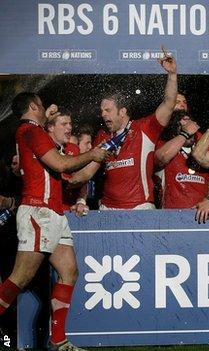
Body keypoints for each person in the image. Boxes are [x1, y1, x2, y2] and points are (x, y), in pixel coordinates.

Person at [0, 92, 107, 351]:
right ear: (33, 106)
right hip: (38, 211)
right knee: (21, 277)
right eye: (42, 103)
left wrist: (49, 119)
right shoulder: (30, 131)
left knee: (69, 272)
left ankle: (58, 339)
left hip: (54, 213)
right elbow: (59, 164)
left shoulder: (31, 131)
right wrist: (92, 154)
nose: (47, 106)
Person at [69, 48, 178, 209]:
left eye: (108, 110)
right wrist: (77, 196)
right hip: (108, 208)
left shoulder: (145, 128)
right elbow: (87, 172)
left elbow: (169, 103)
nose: (103, 115)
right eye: (101, 111)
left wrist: (172, 75)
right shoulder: (103, 135)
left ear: (122, 111)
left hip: (139, 207)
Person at [154, 109, 209, 223]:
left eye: (190, 121)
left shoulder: (201, 155)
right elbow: (162, 157)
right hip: (171, 218)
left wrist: (208, 200)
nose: (190, 125)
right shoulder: (164, 146)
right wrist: (185, 133)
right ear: (175, 128)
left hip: (201, 219)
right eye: (184, 121)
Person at [45, 109, 89, 217]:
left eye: (70, 124)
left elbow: (82, 178)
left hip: (69, 211)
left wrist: (81, 201)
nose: (69, 127)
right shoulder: (41, 147)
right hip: (45, 211)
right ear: (51, 127)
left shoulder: (73, 148)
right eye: (64, 124)